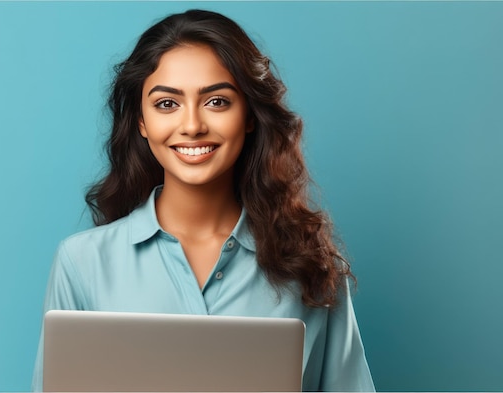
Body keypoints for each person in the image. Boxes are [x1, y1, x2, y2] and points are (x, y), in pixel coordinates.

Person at [33, 9, 374, 392]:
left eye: (216, 102)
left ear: (248, 114)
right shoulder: (81, 263)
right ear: (141, 121)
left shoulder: (312, 268)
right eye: (167, 104)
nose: (192, 125)